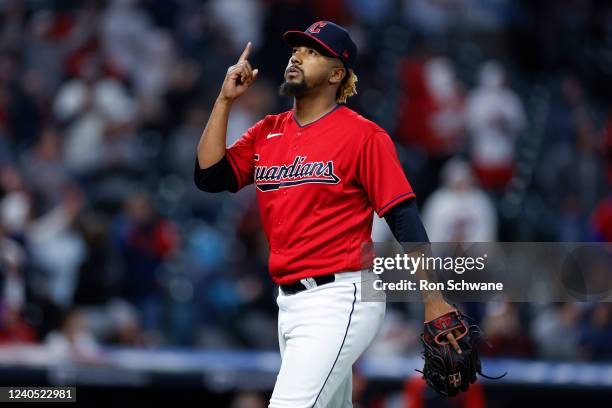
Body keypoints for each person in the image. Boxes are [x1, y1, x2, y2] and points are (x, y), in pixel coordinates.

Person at [194, 21, 459, 407]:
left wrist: (432, 297)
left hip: (341, 296)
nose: (298, 55)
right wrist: (223, 102)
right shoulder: (267, 131)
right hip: (289, 304)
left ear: (338, 74)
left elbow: (403, 217)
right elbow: (210, 176)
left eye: (313, 51)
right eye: (297, 49)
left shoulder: (363, 136)